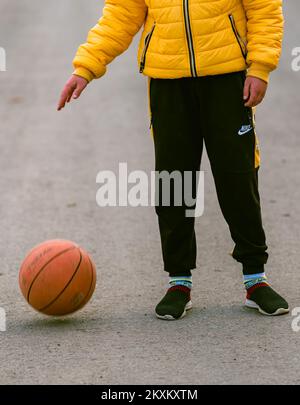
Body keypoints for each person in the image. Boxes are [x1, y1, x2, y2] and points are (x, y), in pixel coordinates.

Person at [58, 0, 289, 320]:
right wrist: (85, 67)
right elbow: (120, 16)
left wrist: (260, 67)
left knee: (238, 178)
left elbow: (264, 10)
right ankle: (178, 281)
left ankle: (255, 279)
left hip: (227, 78)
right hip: (167, 82)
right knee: (174, 182)